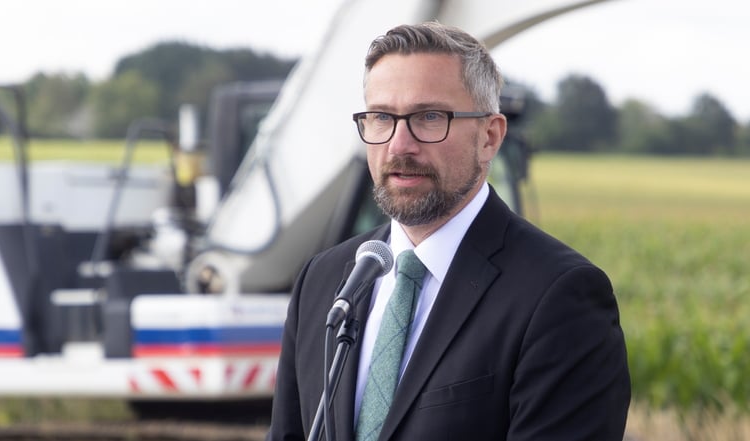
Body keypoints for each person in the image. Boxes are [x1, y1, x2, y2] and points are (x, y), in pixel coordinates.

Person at [267, 22, 630, 441]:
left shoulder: (559, 297)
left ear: (490, 137)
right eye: (381, 117)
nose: (399, 144)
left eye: (429, 117)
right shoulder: (324, 280)